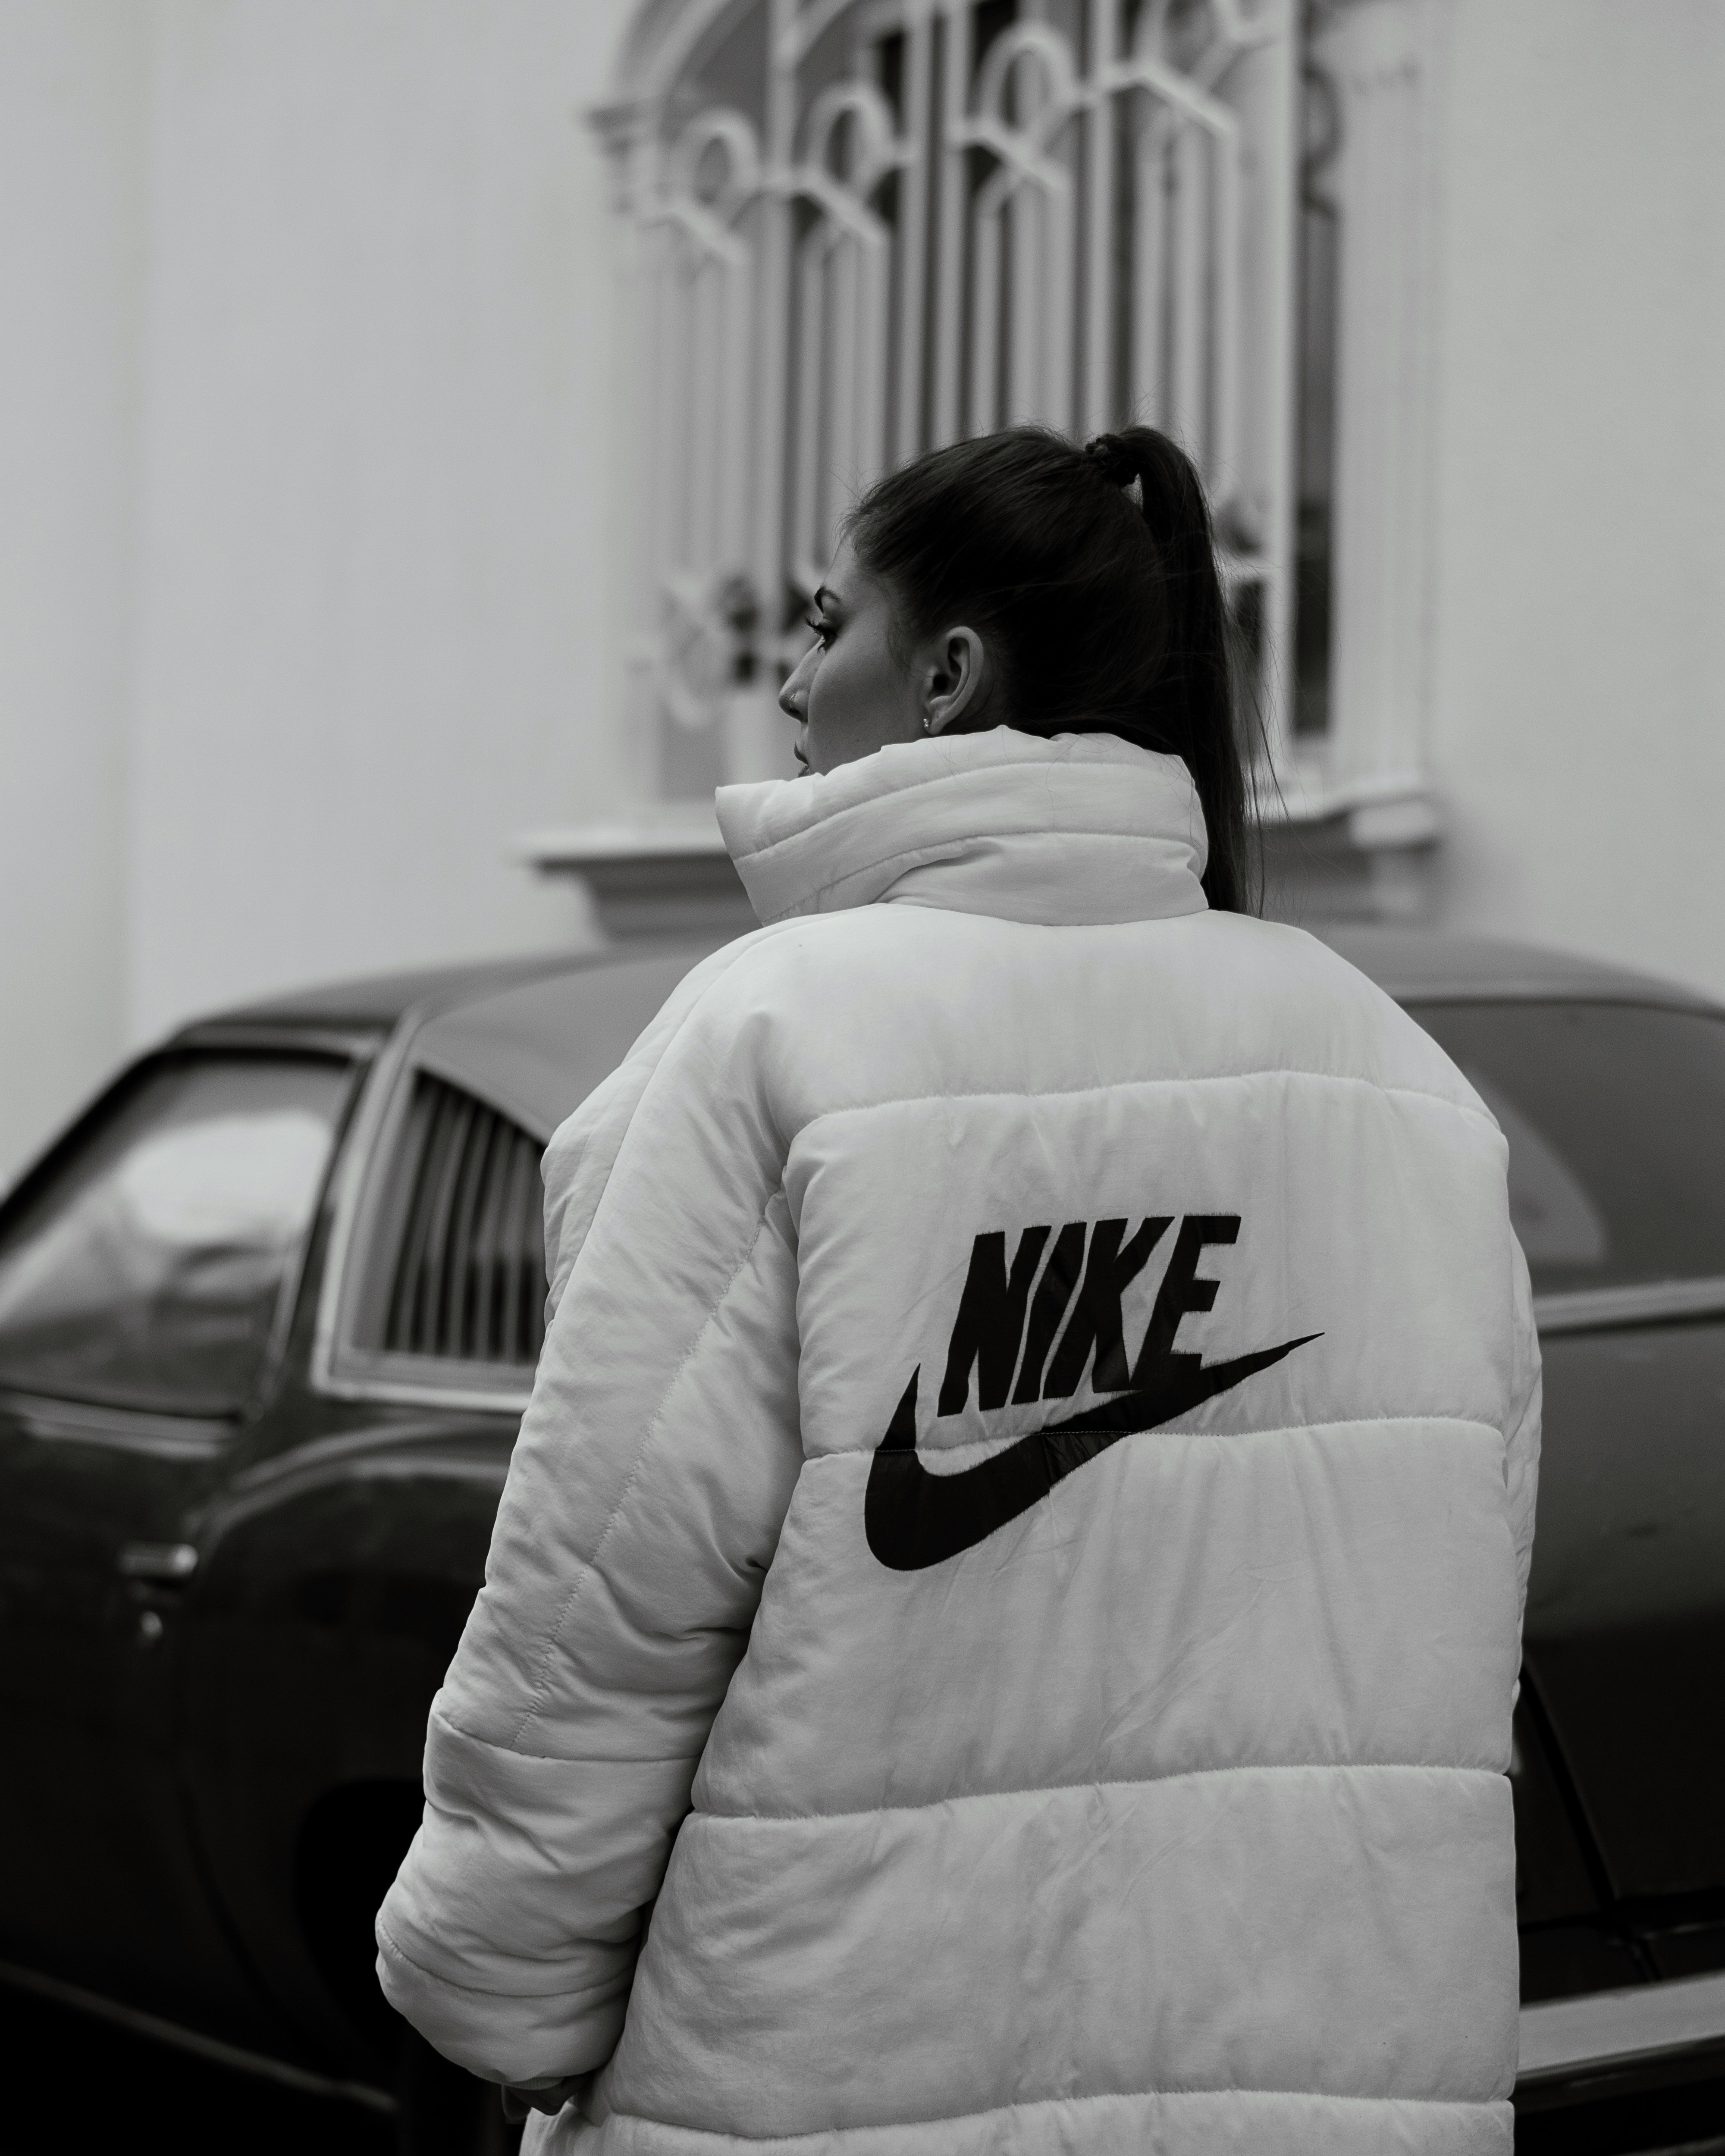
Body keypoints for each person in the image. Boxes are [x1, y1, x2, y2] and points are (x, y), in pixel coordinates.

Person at [376, 425, 1540, 2155]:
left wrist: (501, 1981)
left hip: (837, 2071)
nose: (786, 677)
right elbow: (1459, 1609)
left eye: (825, 623)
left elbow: (608, 1598)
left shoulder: (771, 1034)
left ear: (942, 674)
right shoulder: (1398, 1081)